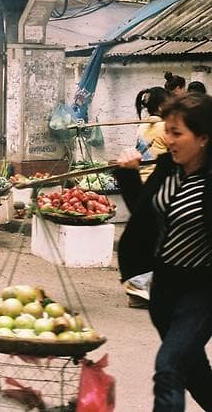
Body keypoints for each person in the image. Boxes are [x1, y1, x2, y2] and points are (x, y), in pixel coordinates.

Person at [114, 92, 212, 410]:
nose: (168, 139)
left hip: (201, 292)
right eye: (167, 131)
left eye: (177, 133)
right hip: (163, 290)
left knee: (168, 366)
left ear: (203, 137)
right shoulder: (168, 169)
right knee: (193, 372)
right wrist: (129, 174)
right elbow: (144, 220)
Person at [126, 86, 170, 308]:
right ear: (163, 106)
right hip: (157, 185)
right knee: (157, 238)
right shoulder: (164, 128)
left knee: (150, 235)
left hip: (143, 181)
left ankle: (140, 289)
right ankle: (139, 285)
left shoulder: (144, 125)